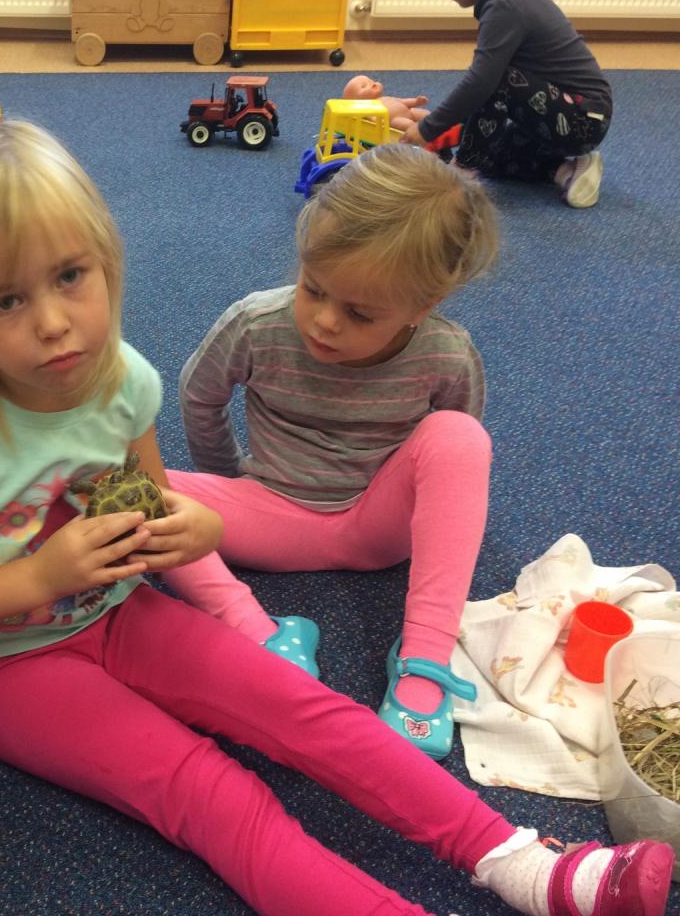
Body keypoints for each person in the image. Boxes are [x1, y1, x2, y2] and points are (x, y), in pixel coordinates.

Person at [0, 119, 674, 916]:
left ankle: (526, 866)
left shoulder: (120, 379)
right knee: (210, 792)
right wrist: (41, 575)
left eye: (71, 276)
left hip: (120, 613)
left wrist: (198, 530)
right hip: (9, 666)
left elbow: (150, 512)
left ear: (106, 261)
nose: (53, 322)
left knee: (306, 710)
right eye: (6, 300)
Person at [163, 144, 495, 761]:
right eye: (313, 289)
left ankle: (425, 659)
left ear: (423, 307)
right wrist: (224, 480)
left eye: (360, 313)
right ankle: (258, 632)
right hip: (271, 515)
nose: (324, 322)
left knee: (460, 438)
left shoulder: (446, 354)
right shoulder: (256, 324)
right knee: (124, 486)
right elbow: (199, 395)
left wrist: (430, 513)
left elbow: (452, 463)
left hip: (381, 528)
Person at [400, 0, 612, 209]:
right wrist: (453, 131)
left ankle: (462, 174)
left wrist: (428, 129)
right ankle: (567, 171)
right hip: (559, 114)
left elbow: (481, 83)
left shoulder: (507, 5)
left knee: (496, 80)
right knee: (490, 152)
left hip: (583, 118)